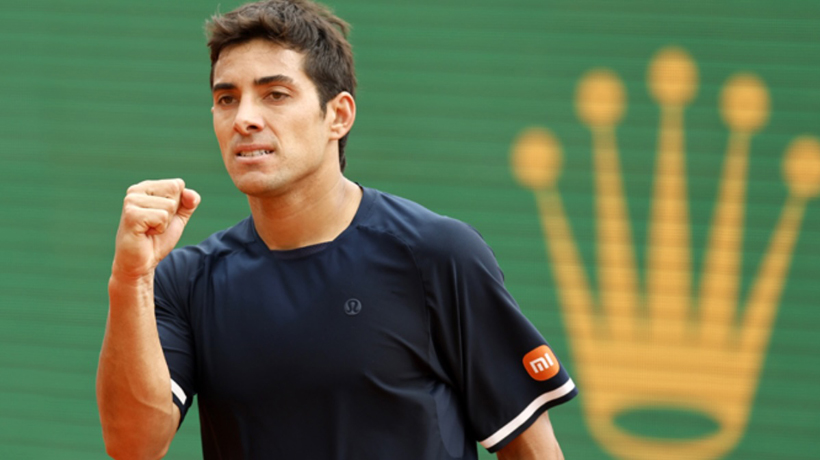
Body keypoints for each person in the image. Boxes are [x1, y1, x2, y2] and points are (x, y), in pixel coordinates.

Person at [95, 0, 577, 458]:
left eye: (275, 94)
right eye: (227, 99)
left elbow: (532, 451)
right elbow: (134, 445)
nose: (244, 119)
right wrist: (130, 278)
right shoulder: (183, 281)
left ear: (339, 115)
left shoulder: (438, 254)